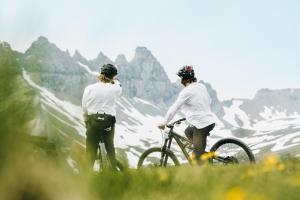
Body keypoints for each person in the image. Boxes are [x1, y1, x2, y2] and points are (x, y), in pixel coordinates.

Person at [158, 65, 215, 164]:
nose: (181, 81)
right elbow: (208, 101)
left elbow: (174, 108)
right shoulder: (202, 86)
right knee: (188, 131)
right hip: (209, 121)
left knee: (197, 159)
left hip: (201, 124)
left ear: (184, 79)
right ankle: (199, 149)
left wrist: (164, 122)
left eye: (181, 78)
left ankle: (200, 159)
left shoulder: (186, 92)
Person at [82, 64, 122, 170]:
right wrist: (115, 80)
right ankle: (113, 170)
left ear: (101, 75)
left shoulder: (89, 88)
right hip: (108, 121)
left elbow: (84, 106)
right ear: (113, 76)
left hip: (93, 121)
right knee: (110, 147)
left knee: (90, 151)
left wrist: (86, 120)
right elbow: (119, 85)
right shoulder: (115, 88)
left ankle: (86, 176)